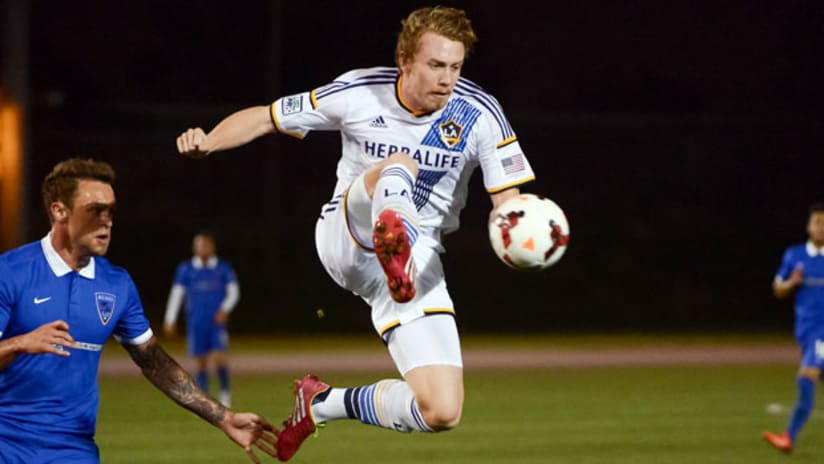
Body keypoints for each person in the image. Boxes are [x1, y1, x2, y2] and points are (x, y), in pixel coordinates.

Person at [176, 6, 538, 461]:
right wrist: (209, 139)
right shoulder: (359, 91)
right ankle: (395, 237)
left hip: (415, 263)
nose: (447, 79)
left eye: (455, 67)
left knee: (442, 409)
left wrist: (515, 231)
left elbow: (509, 203)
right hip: (347, 233)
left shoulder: (479, 112)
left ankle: (321, 403)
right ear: (405, 60)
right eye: (435, 65)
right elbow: (267, 117)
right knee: (397, 168)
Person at [0, 158, 277, 463]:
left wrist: (222, 417)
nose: (107, 221)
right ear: (59, 211)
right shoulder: (11, 272)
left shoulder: (116, 284)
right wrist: (19, 343)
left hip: (73, 449)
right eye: (95, 210)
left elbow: (154, 362)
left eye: (111, 211)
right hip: (6, 443)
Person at [764, 203, 824, 454]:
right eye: (818, 222)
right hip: (805, 331)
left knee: (805, 377)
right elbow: (777, 289)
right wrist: (792, 283)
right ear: (809, 226)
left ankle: (788, 437)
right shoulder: (794, 255)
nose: (822, 227)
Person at [164, 231, 240, 407]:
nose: (202, 248)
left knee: (220, 357)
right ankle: (205, 401)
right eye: (199, 245)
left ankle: (225, 395)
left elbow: (234, 292)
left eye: (205, 244)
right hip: (196, 321)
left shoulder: (222, 268)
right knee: (201, 362)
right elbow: (177, 295)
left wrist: (224, 309)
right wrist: (170, 319)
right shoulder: (186, 269)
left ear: (212, 246)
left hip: (216, 322)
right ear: (194, 248)